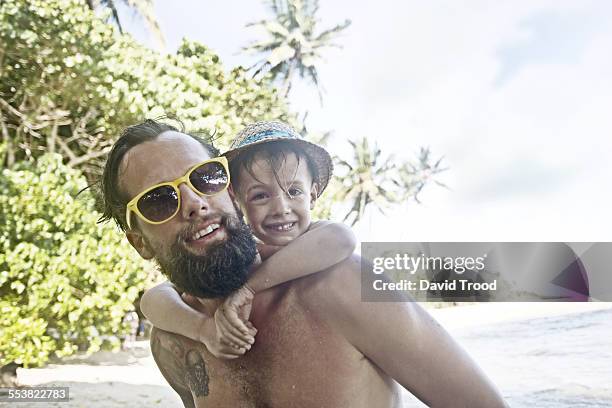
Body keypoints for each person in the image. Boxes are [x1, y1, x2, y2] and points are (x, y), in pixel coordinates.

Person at [99, 119, 507, 407]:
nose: (195, 203)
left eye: (205, 177)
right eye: (158, 200)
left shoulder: (342, 285)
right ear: (140, 243)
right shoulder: (174, 341)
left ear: (228, 192)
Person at [139, 121, 358, 358]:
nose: (281, 208)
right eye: (260, 196)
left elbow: (343, 238)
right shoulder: (241, 255)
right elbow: (152, 300)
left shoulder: (318, 237)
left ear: (312, 195)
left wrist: (248, 289)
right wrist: (204, 330)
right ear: (236, 201)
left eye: (294, 192)